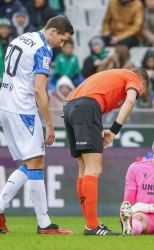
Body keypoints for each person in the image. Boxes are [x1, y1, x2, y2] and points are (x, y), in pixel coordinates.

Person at [0, 16, 74, 234]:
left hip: (5, 105)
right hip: (23, 109)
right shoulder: (43, 49)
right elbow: (39, 90)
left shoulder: (21, 38)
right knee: (37, 161)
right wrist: (49, 124)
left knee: (29, 163)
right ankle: (45, 224)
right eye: (61, 39)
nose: (61, 45)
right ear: (53, 31)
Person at [63, 68, 149, 236]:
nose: (139, 92)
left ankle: (91, 223)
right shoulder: (133, 78)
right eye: (141, 91)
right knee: (94, 169)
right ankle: (92, 226)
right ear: (142, 83)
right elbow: (130, 101)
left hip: (69, 108)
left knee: (84, 168)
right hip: (87, 107)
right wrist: (114, 130)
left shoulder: (111, 77)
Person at [0, 18, 13, 88]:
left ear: (9, 30)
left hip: (11, 79)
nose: (4, 31)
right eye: (2, 28)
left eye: (5, 28)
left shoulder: (14, 43)